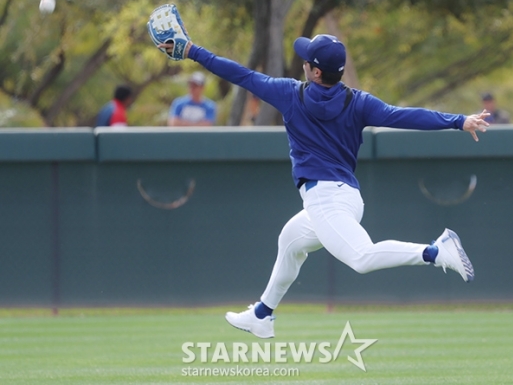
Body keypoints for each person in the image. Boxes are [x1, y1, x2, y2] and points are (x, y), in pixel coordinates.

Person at [159, 34, 490, 339]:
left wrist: (191, 50)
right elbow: (404, 116)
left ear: (315, 72)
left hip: (324, 200)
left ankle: (436, 251)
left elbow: (239, 75)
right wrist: (458, 121)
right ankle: (262, 314)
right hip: (345, 198)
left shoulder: (289, 93)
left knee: (361, 257)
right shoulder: (359, 102)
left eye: (307, 60)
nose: (303, 62)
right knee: (290, 241)